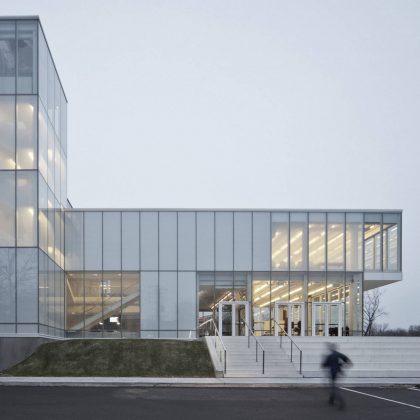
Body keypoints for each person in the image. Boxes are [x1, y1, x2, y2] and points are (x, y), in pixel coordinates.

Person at [322, 342, 352, 409]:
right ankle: (331, 400)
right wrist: (341, 365)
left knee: (333, 388)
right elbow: (348, 361)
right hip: (339, 372)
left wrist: (327, 362)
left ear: (331, 349)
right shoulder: (339, 354)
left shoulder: (329, 356)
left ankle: (341, 402)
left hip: (333, 373)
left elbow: (324, 365)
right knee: (333, 386)